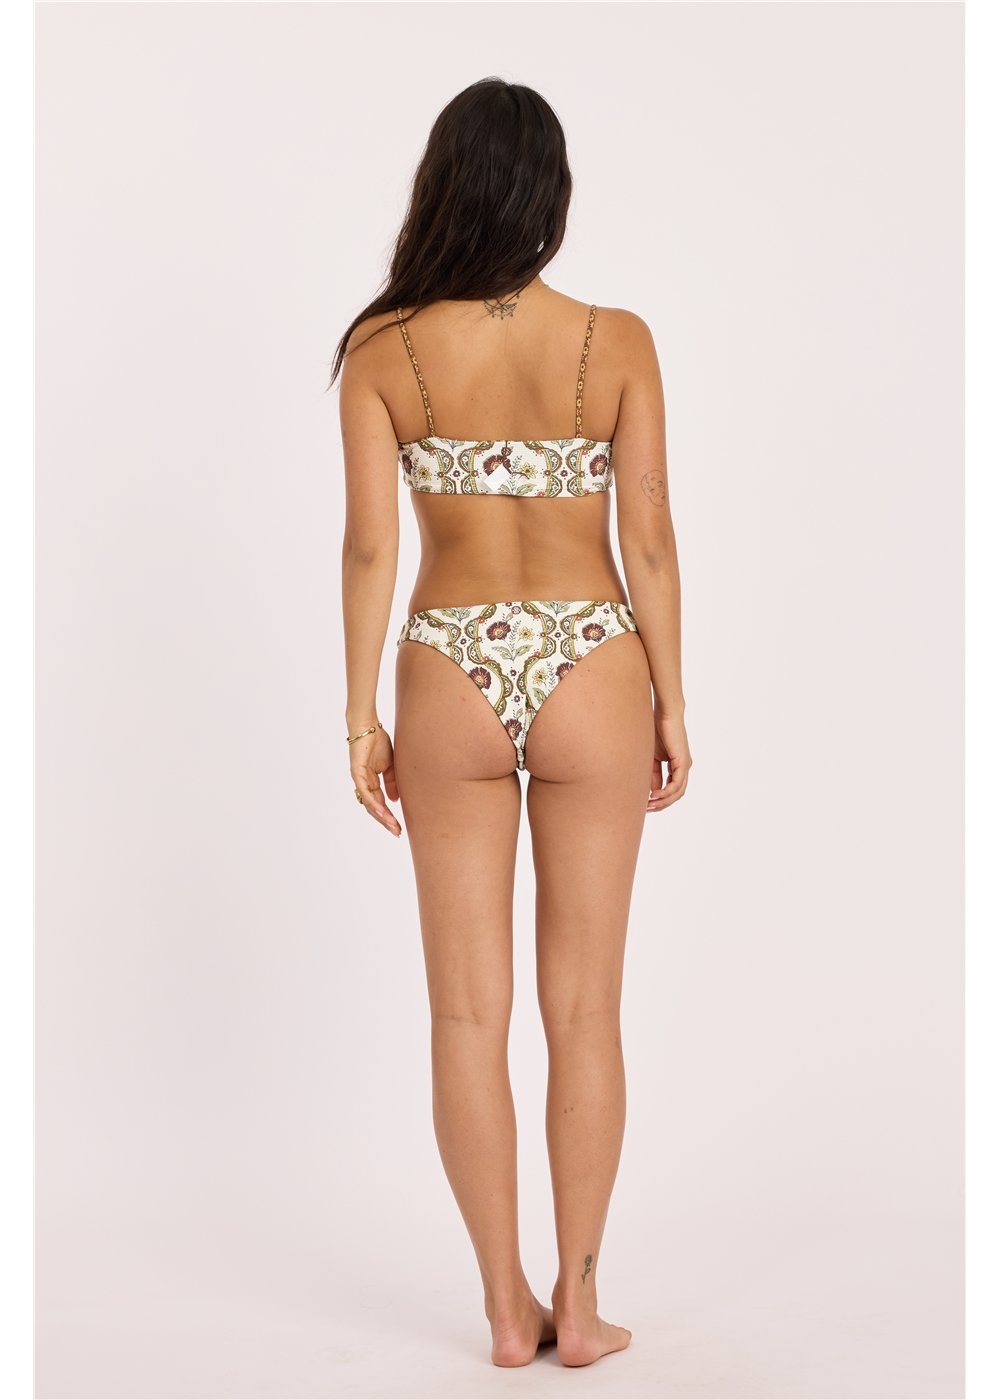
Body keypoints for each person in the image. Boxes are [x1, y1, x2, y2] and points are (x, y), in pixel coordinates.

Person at [330, 77, 692, 1370]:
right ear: (550, 193)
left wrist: (359, 714)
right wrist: (674, 698)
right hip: (594, 659)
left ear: (442, 186)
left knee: (465, 1017)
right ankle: (578, 1308)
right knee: (585, 1012)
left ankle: (503, 1306)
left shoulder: (383, 351)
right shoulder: (616, 340)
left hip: (448, 665)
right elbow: (649, 540)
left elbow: (372, 547)